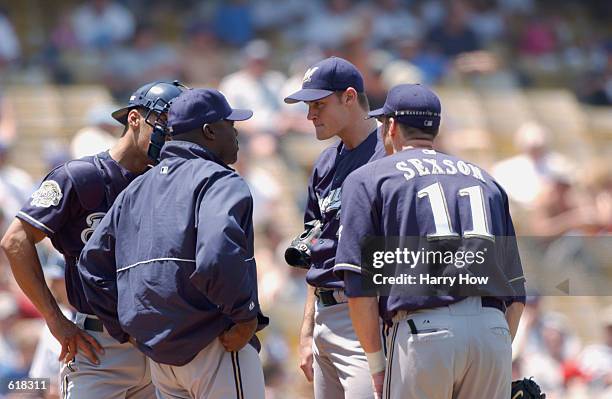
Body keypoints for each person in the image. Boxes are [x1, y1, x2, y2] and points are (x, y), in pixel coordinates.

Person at [334, 83, 526, 398]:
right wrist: (498, 343)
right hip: (491, 329)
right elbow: (516, 292)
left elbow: (360, 288)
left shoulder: (370, 178)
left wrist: (376, 365)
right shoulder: (487, 180)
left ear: (391, 126)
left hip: (424, 331)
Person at [78, 88, 267, 399]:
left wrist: (125, 328)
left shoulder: (136, 189)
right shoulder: (219, 179)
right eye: (229, 124)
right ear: (209, 131)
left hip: (160, 358)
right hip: (215, 344)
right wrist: (245, 316)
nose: (236, 132)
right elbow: (216, 256)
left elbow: (91, 263)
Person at [0, 80, 184, 398]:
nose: (168, 134)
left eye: (176, 128)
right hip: (99, 345)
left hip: (158, 343)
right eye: (163, 123)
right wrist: (55, 319)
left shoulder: (170, 179)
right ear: (135, 118)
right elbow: (15, 241)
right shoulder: (80, 175)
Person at [283, 56, 385, 399]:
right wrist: (307, 329)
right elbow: (315, 249)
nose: (310, 115)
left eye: (319, 105)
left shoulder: (388, 154)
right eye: (308, 106)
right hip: (326, 317)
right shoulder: (326, 162)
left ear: (350, 97)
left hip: (369, 315)